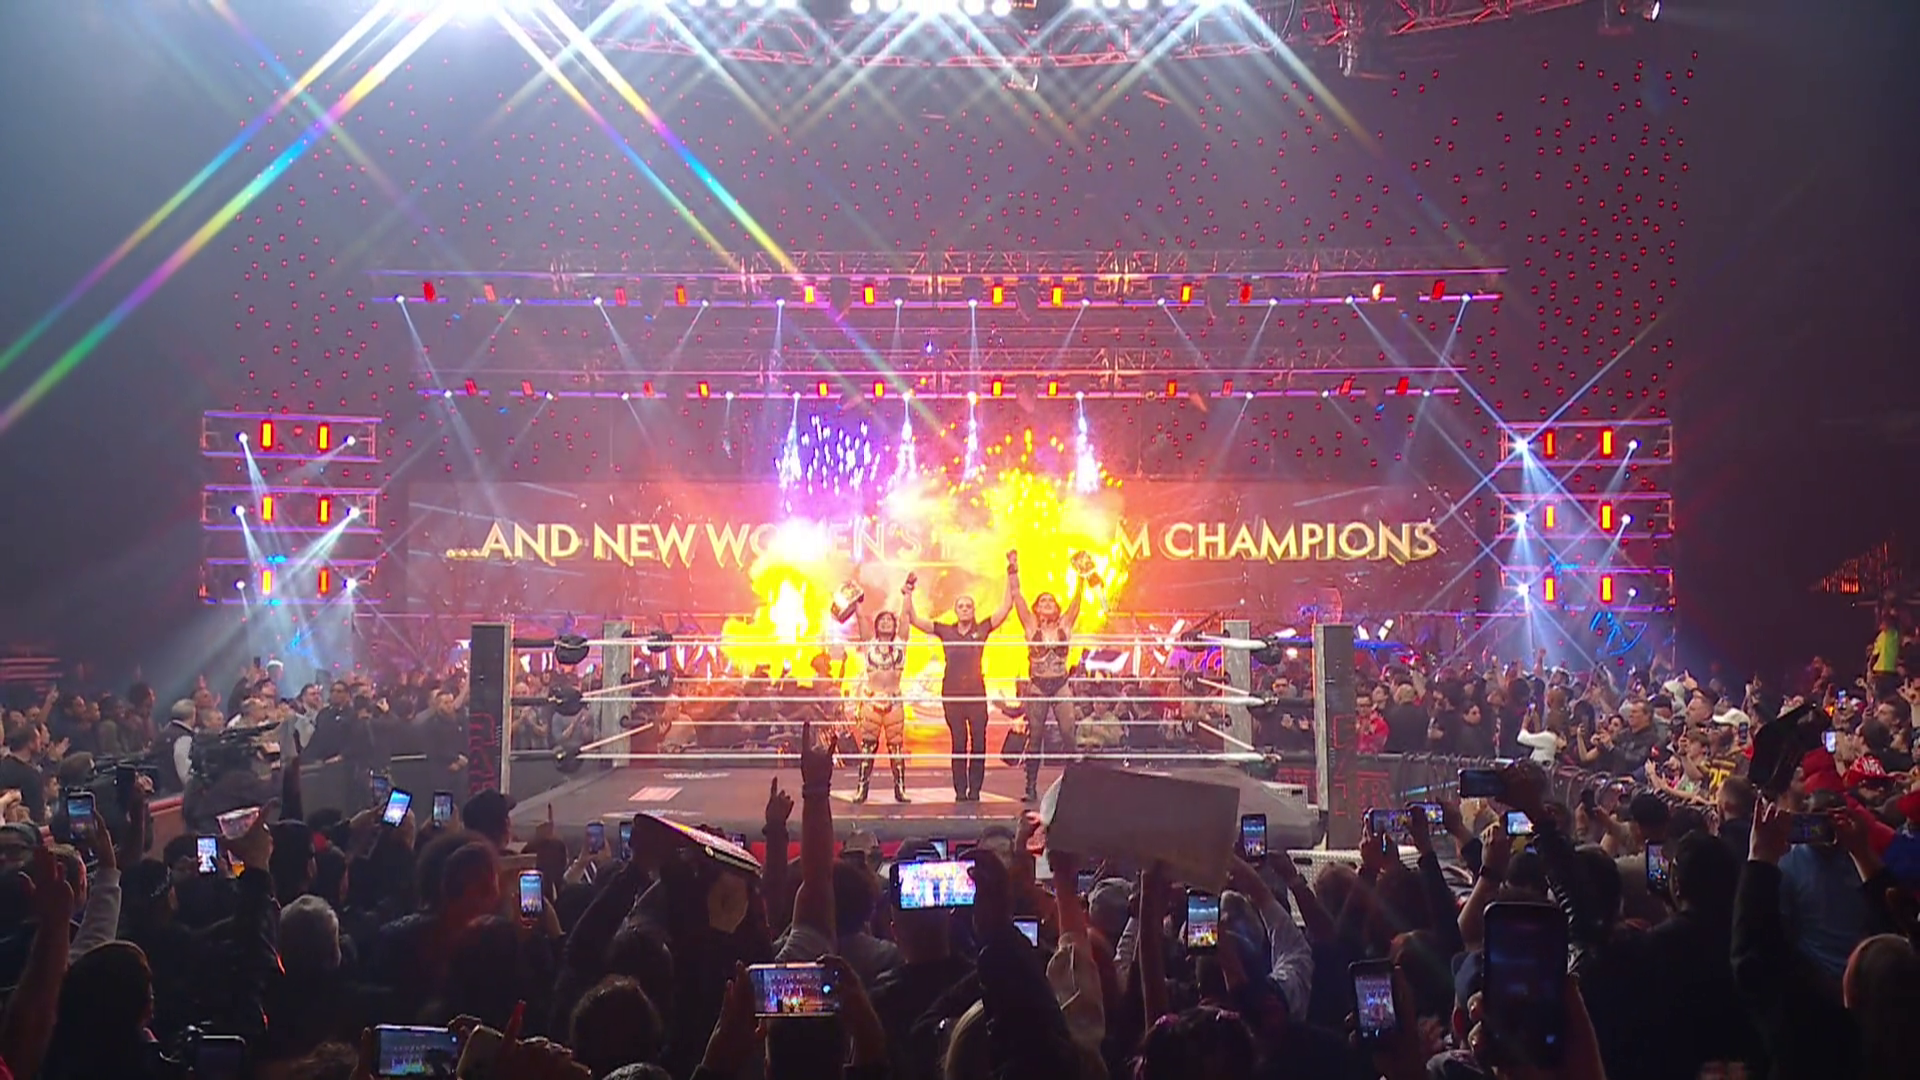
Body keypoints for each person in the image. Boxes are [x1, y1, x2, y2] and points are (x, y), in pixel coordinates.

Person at [902, 555, 1015, 802]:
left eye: (968, 606)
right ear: (956, 610)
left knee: (979, 742)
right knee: (959, 742)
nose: (965, 609)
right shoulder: (946, 630)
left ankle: (975, 789)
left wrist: (1011, 572)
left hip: (976, 694)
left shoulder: (982, 628)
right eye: (961, 606)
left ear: (974, 610)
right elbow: (915, 620)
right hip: (952, 694)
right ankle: (960, 791)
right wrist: (908, 592)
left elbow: (1006, 606)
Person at [1010, 556, 1088, 801]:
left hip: (1060, 684)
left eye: (1050, 600)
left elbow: (1077, 602)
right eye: (1042, 600)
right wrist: (1012, 569)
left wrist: (1082, 576)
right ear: (1036, 607)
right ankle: (1030, 787)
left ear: (1056, 607)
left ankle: (1077, 785)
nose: (1046, 603)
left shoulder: (1065, 625)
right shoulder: (1031, 626)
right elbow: (1017, 596)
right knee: (1035, 736)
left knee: (1068, 734)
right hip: (1038, 686)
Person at [853, 607, 911, 804]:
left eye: (889, 620)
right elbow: (861, 617)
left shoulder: (900, 645)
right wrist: (857, 603)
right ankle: (862, 789)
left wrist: (907, 594)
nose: (886, 622)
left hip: (894, 701)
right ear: (876, 625)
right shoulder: (869, 644)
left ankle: (900, 789)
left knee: (896, 748)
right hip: (872, 701)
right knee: (867, 747)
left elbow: (905, 617)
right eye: (882, 620)